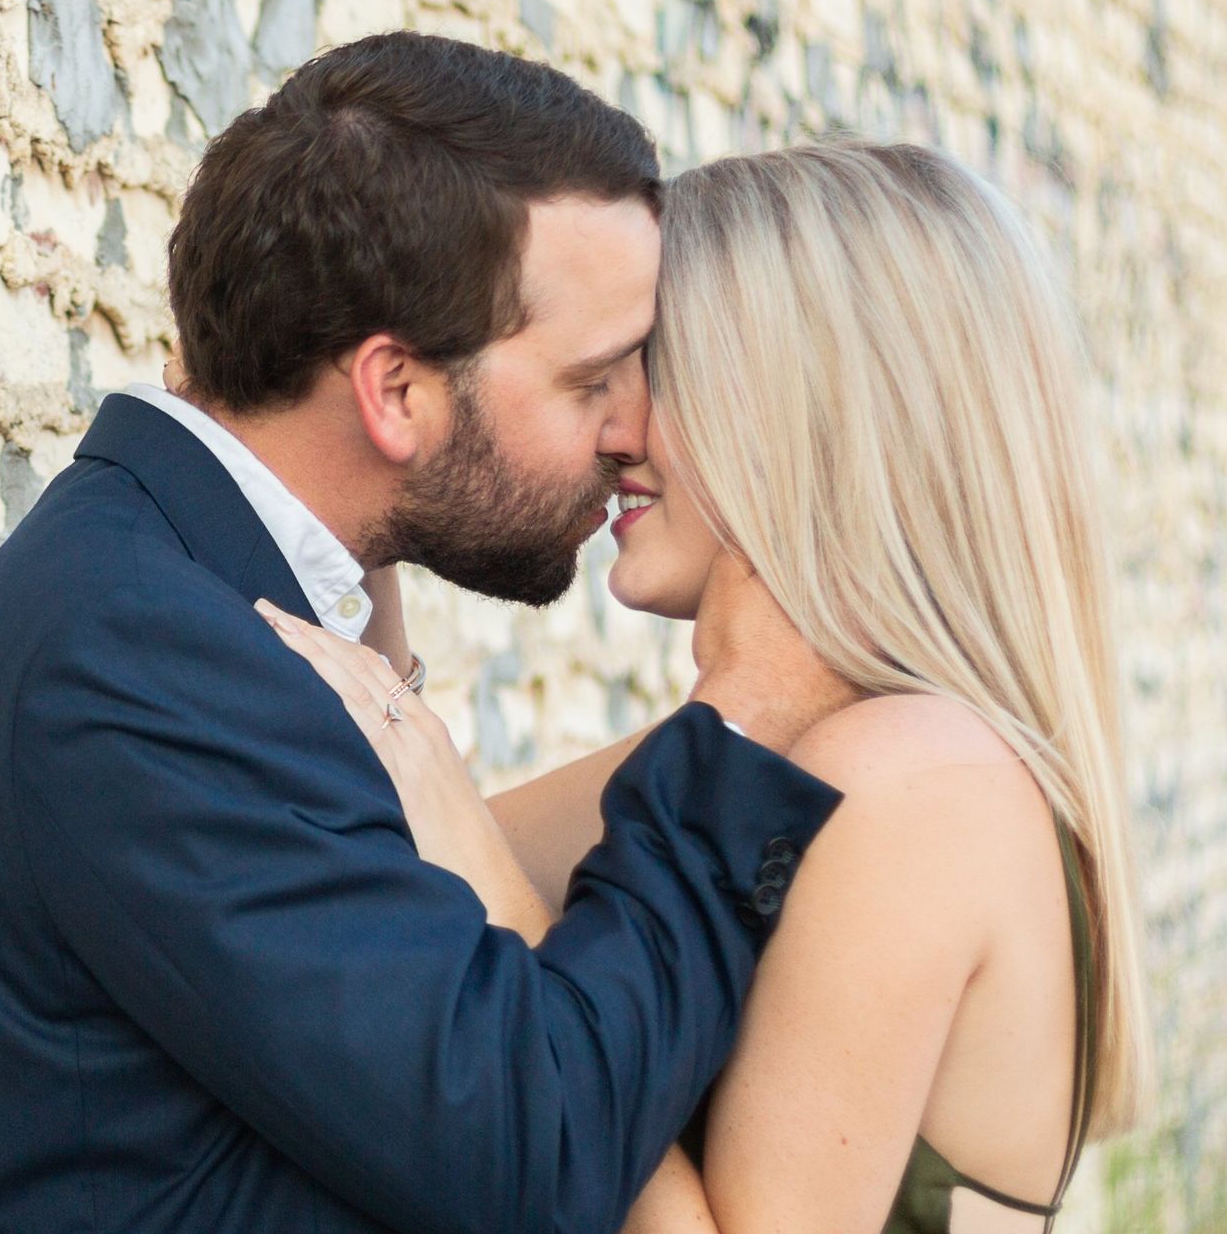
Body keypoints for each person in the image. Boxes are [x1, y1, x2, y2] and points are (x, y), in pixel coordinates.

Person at [0, 32, 849, 1234]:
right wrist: (748, 714)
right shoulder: (137, 656)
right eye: (592, 380)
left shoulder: (196, 595)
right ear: (396, 393)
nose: (633, 428)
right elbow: (537, 1157)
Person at [262, 140, 1151, 1233]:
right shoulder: (809, 752)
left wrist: (523, 933)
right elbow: (404, 865)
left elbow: (471, 872)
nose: (617, 430)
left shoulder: (910, 776)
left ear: (807, 416)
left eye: (660, 368)